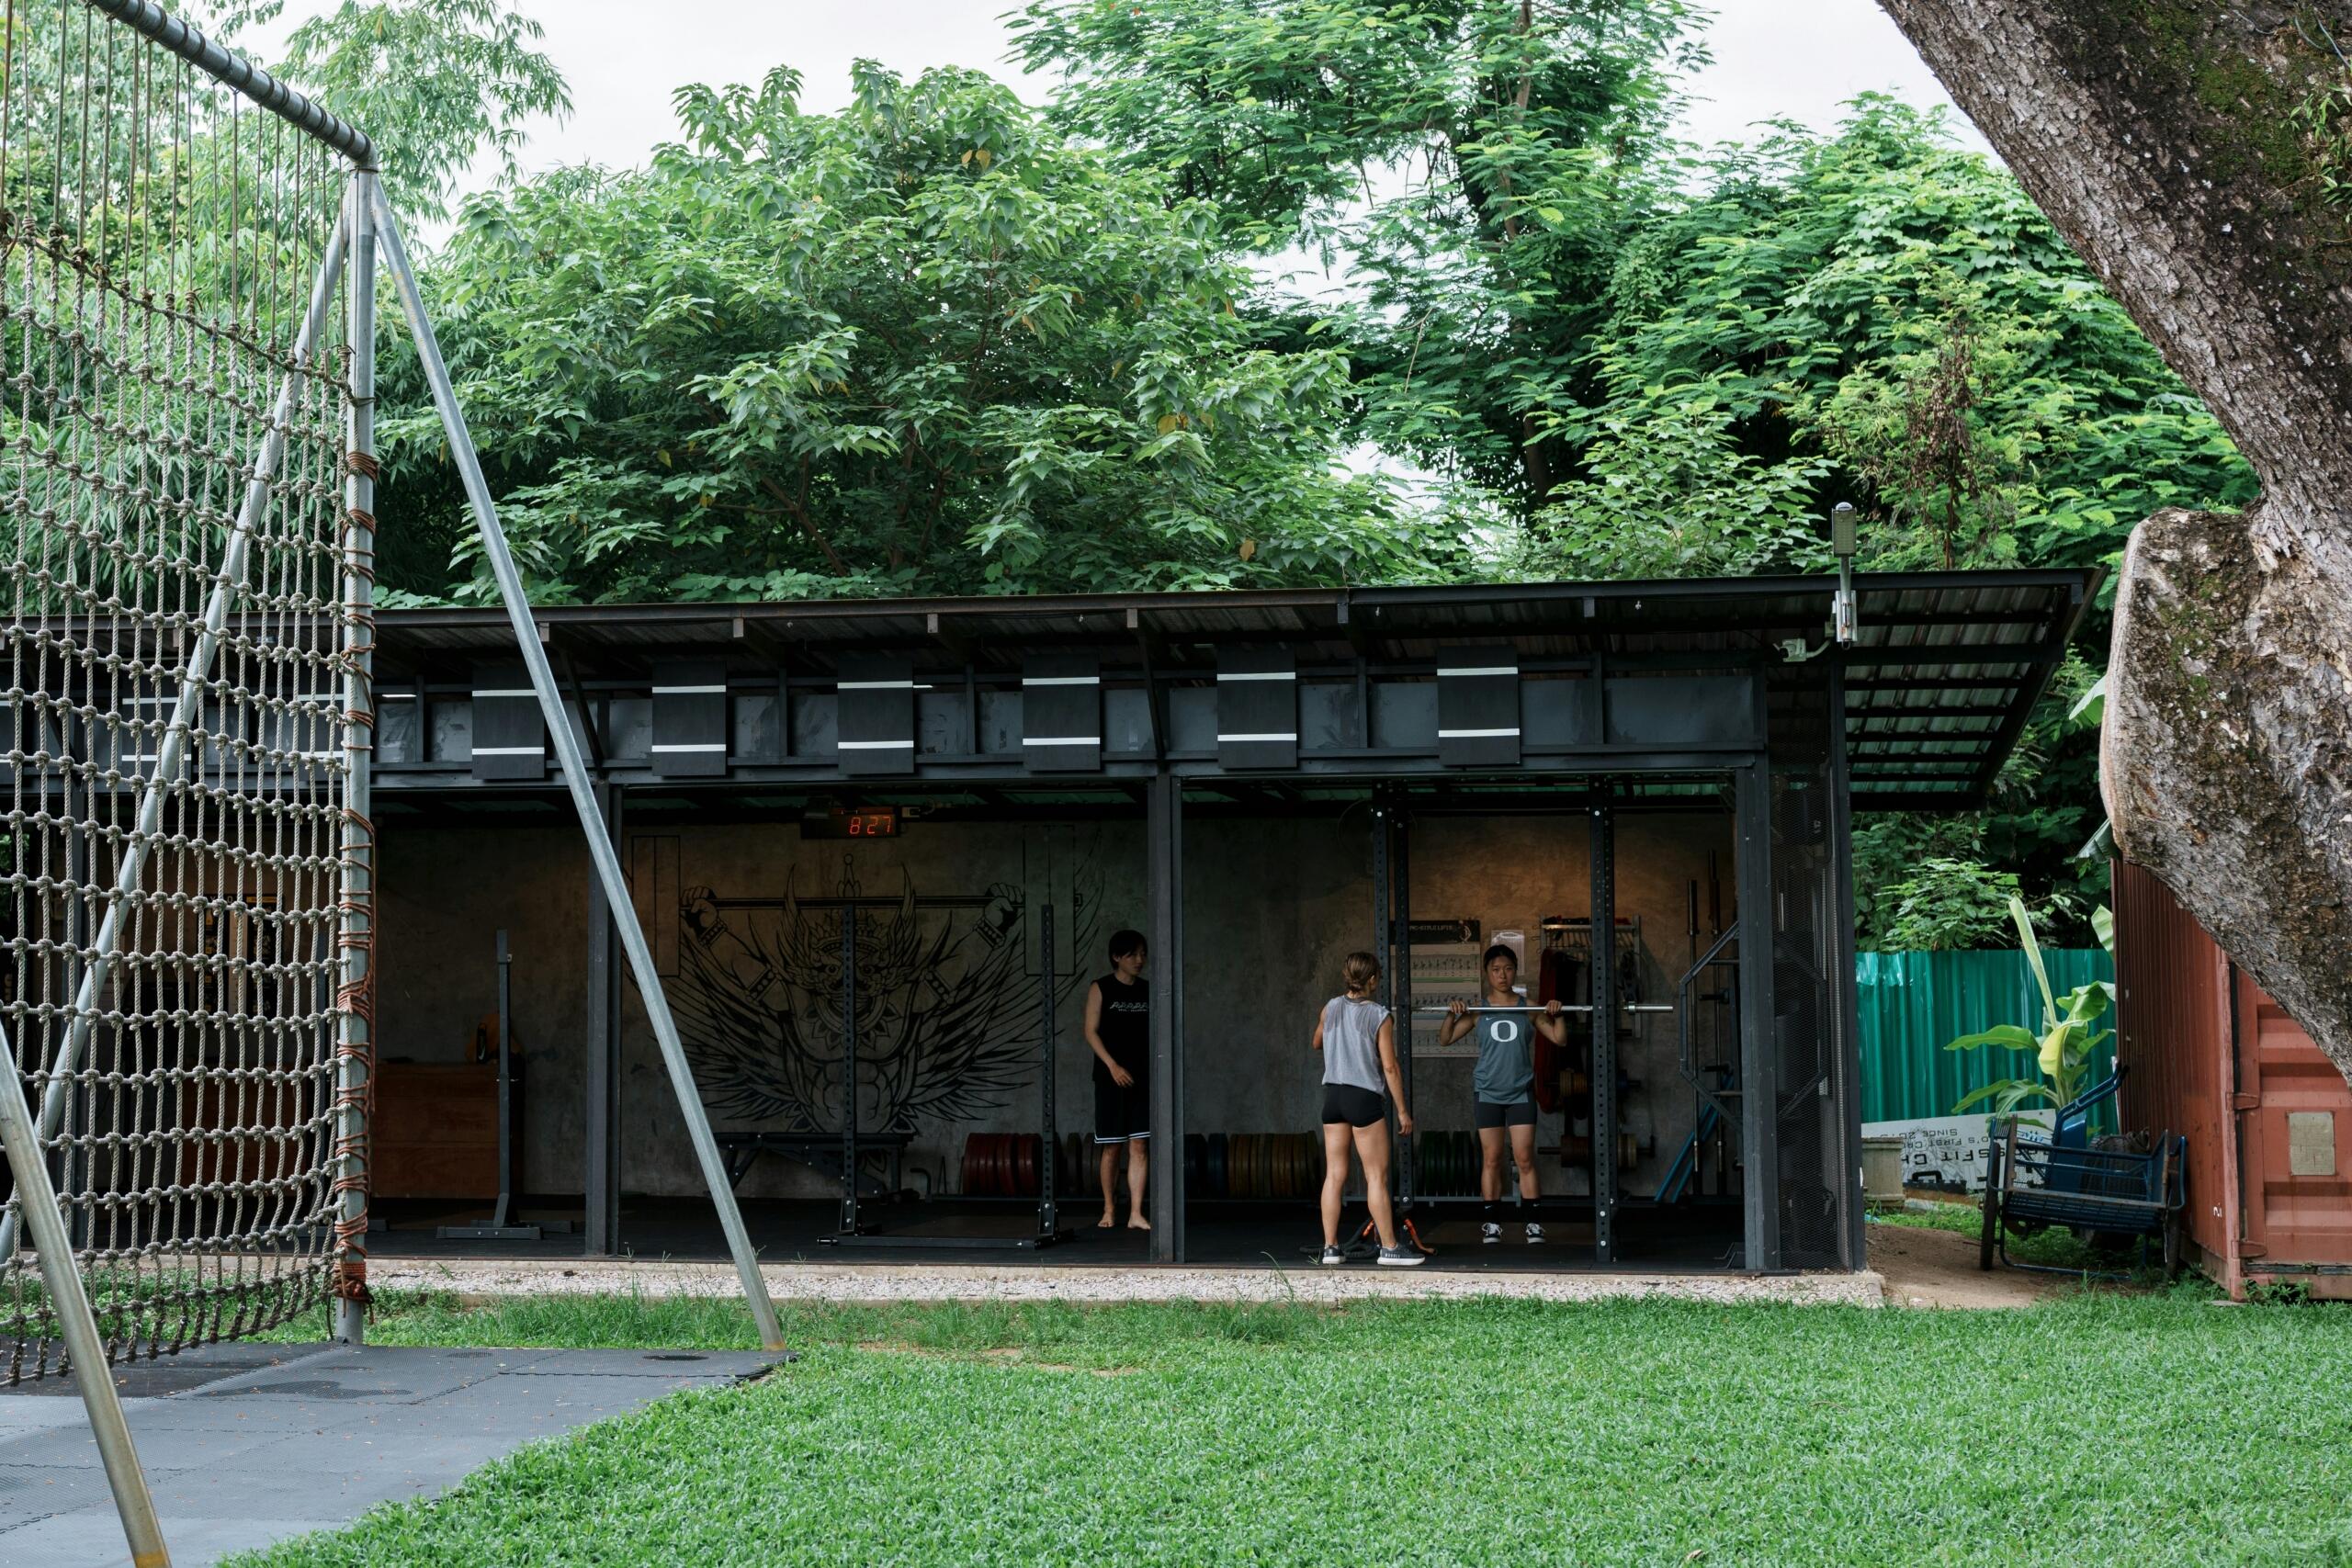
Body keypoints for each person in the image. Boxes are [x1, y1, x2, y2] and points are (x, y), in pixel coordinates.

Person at [1440, 944, 1564, 1244]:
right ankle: (1492, 1223)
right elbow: (1445, 1039)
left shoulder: (1530, 1007)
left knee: (1524, 1159)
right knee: (1492, 1159)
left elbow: (1559, 1038)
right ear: (1487, 973)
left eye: (1507, 968)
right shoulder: (1479, 1010)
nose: (1502, 975)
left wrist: (1556, 1013)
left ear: (1515, 970)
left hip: (1520, 1092)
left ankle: (1533, 1224)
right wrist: (1451, 1014)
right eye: (1496, 970)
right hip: (1488, 1093)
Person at [1312, 951, 1423, 1267]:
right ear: (1373, 979)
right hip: (1362, 1099)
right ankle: (1389, 1248)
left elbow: (1316, 1042)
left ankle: (1330, 1248)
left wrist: (1337, 1035)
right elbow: (1390, 1067)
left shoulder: (1330, 1007)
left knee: (1334, 1174)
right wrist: (1402, 1110)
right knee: (1376, 1176)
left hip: (1333, 1097)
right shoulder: (1379, 1015)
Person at [1083, 929, 1151, 1230]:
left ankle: (1136, 1213)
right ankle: (1110, 1209)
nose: (1139, 960)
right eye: (1133, 954)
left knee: (1140, 1147)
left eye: (1142, 953)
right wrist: (1112, 1065)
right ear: (1116, 957)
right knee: (1112, 1146)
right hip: (1110, 1077)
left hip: (1142, 1079)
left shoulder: (1149, 990)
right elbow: (1090, 1031)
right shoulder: (1101, 987)